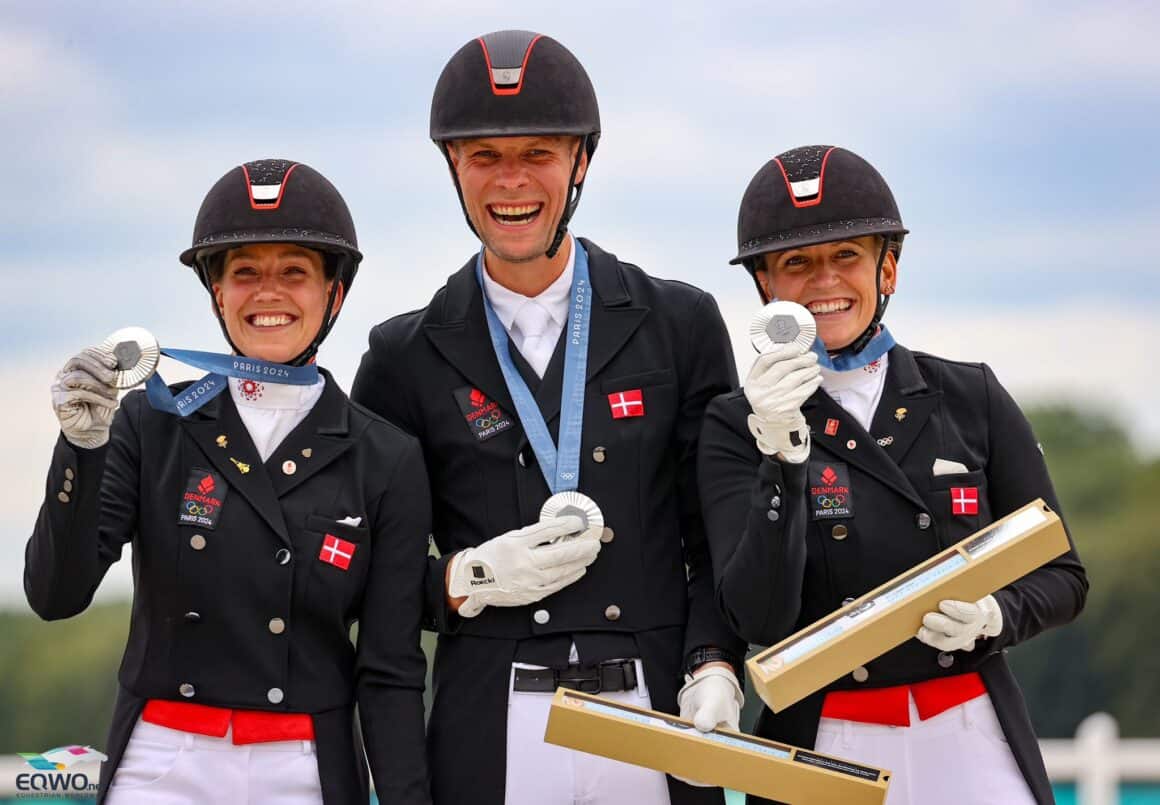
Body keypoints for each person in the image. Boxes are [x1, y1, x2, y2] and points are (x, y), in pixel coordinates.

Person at [352, 30, 746, 805]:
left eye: (537, 152)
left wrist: (716, 661)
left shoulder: (679, 324)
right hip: (490, 720)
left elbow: (716, 537)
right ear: (452, 167)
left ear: (581, 163)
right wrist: (463, 582)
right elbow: (368, 581)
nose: (512, 181)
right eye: (485, 156)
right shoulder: (402, 357)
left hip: (651, 712)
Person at [25, 159, 431, 805]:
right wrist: (81, 447)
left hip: (305, 767)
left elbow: (388, 672)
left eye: (294, 271)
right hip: (160, 759)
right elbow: (54, 593)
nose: (267, 292)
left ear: (335, 292)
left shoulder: (385, 457)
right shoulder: (151, 423)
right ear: (218, 292)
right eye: (245, 272)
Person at [698, 145, 1088, 805]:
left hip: (969, 726)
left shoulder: (969, 395)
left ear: (890, 268)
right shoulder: (735, 423)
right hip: (824, 739)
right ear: (766, 285)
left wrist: (996, 614)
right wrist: (783, 457)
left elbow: (1063, 576)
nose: (825, 281)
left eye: (846, 255)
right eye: (797, 263)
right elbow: (759, 612)